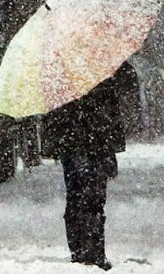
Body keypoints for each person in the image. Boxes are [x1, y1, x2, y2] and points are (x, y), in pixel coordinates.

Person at [41, 60, 139, 269]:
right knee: (88, 193)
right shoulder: (98, 56)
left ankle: (83, 248)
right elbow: (127, 82)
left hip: (81, 135)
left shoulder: (61, 59)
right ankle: (89, 249)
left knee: (81, 192)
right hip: (90, 135)